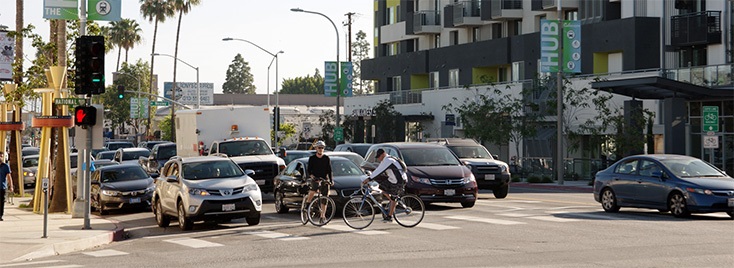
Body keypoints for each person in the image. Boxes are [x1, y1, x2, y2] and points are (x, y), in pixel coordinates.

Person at [361, 149, 407, 222]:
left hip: (398, 181)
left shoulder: (388, 161)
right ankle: (393, 201)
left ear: (383, 154)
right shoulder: (387, 159)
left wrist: (369, 179)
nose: (378, 158)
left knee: (393, 197)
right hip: (394, 180)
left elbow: (379, 170)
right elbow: (378, 169)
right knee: (382, 187)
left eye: (379, 156)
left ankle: (390, 216)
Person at [306, 140, 333, 222]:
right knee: (313, 190)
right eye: (319, 148)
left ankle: (322, 216)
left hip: (324, 178)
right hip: (315, 177)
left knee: (325, 197)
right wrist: (312, 176)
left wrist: (331, 180)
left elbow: (329, 170)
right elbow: (309, 170)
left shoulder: (326, 158)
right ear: (316, 149)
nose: (321, 149)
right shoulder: (312, 158)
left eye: (322, 148)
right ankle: (308, 203)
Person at [0, 152, 13, 221]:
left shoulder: (5, 166)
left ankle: (0, 215)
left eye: (1, 156)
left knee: (1, 202)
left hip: (2, 187)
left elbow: (9, 176)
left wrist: (11, 186)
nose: (0, 158)